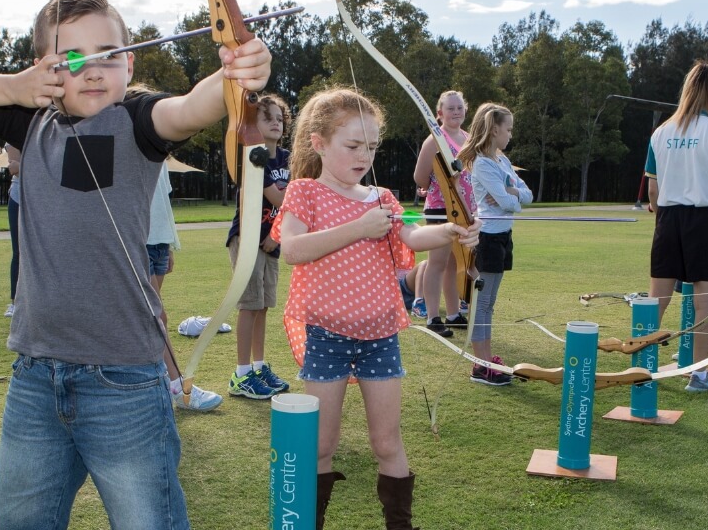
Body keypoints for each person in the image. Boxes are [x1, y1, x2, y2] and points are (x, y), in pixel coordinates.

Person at [0, 0, 271, 529]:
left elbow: (188, 109)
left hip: (125, 382)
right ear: (44, 66)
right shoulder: (29, 121)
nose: (92, 71)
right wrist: (16, 87)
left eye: (109, 54)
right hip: (35, 378)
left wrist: (236, 71)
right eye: (71, 58)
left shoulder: (137, 120)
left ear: (130, 61)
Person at [272, 88, 480, 530]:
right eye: (352, 145)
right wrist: (358, 226)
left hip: (380, 335)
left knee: (387, 443)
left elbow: (414, 235)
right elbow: (290, 249)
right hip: (326, 336)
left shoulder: (382, 199)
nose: (363, 155)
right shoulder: (305, 192)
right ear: (319, 143)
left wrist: (453, 230)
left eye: (371, 146)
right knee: (321, 445)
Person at [645, 61, 708, 393]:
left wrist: (665, 219)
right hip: (707, 220)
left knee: (656, 300)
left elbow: (653, 192)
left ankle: (641, 372)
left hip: (669, 219)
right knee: (706, 303)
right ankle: (698, 376)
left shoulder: (661, 132)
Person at [456, 103, 532, 386]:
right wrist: (511, 196)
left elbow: (528, 195)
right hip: (487, 238)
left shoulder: (503, 161)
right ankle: (480, 366)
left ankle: (487, 360)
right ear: (494, 129)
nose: (510, 135)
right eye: (508, 129)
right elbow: (507, 201)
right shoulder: (483, 164)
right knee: (482, 303)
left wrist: (512, 195)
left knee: (489, 304)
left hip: (503, 237)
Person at [225, 94, 291, 400]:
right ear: (254, 124)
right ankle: (241, 374)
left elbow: (292, 198)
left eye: (279, 118)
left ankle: (259, 366)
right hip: (249, 238)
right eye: (268, 118)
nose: (276, 123)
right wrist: (297, 193)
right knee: (250, 304)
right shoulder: (256, 155)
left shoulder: (288, 158)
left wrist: (276, 236)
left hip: (271, 241)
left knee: (263, 306)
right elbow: (280, 199)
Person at [147, 158, 222, 412]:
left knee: (149, 319)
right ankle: (178, 388)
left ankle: (155, 385)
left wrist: (168, 244)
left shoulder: (158, 156)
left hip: (157, 244)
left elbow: (163, 203)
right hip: (137, 242)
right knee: (156, 317)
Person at [412, 90, 473, 337]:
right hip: (440, 207)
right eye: (450, 108)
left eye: (459, 107)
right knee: (437, 263)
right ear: (440, 113)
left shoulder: (469, 138)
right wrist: (438, 183)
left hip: (463, 209)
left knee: (454, 263)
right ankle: (433, 318)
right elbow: (419, 177)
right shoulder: (435, 139)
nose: (456, 112)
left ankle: (453, 313)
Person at [5, 143, 21, 318]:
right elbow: (14, 168)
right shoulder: (15, 133)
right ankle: (15, 302)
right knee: (19, 252)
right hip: (19, 197)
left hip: (44, 198)